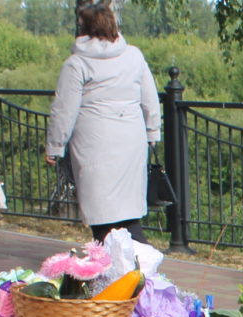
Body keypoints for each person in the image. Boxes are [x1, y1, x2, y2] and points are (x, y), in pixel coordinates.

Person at [44, 0, 161, 244]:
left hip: (94, 144)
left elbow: (64, 109)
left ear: (82, 27)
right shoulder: (133, 56)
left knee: (102, 217)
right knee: (129, 215)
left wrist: (55, 146)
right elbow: (150, 99)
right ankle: (137, 269)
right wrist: (152, 133)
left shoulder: (76, 64)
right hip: (131, 141)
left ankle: (116, 272)